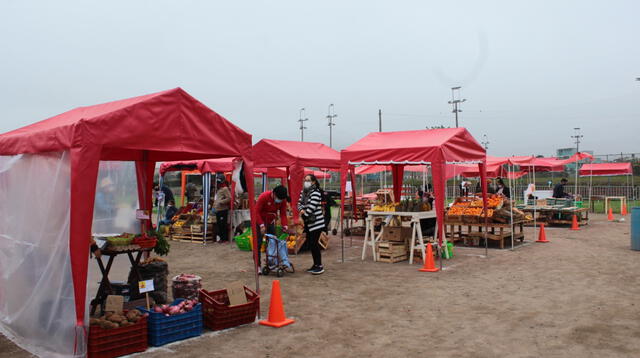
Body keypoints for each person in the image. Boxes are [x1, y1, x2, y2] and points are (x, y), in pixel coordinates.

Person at [255, 185, 289, 270]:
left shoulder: (282, 200)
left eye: (281, 199)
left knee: (273, 242)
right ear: (273, 193)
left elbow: (283, 214)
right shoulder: (264, 197)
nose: (279, 201)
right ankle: (258, 265)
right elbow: (256, 212)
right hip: (259, 222)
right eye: (278, 198)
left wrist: (285, 225)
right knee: (258, 244)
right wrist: (261, 225)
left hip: (270, 222)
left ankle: (271, 262)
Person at [297, 174, 326, 275]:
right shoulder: (303, 192)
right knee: (311, 245)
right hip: (308, 223)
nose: (306, 182)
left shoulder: (316, 192)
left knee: (314, 244)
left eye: (308, 180)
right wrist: (302, 211)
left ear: (313, 182)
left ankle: (319, 265)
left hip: (316, 223)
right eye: (305, 180)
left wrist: (304, 213)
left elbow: (311, 207)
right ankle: (315, 264)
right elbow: (299, 204)